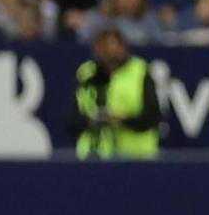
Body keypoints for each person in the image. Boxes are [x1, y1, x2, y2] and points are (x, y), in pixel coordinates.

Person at [68, 25, 161, 158]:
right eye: (102, 47)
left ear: (123, 47)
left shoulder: (139, 71)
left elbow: (153, 117)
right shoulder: (86, 72)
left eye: (111, 46)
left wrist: (121, 121)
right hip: (95, 157)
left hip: (136, 157)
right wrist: (92, 120)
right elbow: (72, 121)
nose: (107, 52)